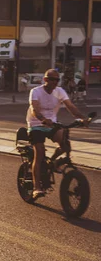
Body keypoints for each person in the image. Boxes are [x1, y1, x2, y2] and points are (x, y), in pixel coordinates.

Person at [26, 68, 88, 200]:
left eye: (57, 80)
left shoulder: (59, 91)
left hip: (52, 124)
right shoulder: (35, 91)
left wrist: (81, 118)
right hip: (36, 125)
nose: (55, 82)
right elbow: (34, 109)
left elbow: (70, 106)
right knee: (39, 153)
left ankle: (53, 163)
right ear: (45, 80)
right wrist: (42, 119)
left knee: (66, 145)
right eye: (52, 79)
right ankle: (37, 188)